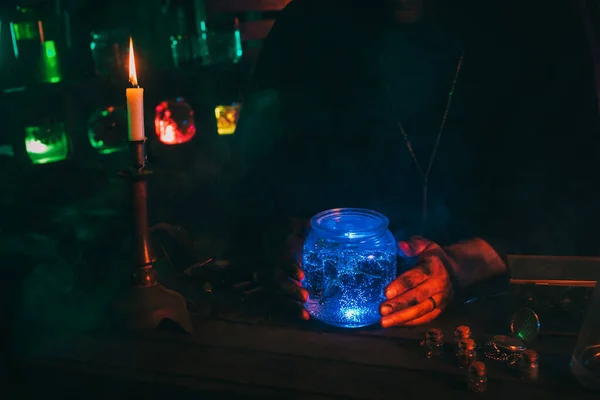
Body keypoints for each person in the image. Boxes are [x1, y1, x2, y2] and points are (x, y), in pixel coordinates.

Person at [230, 0, 600, 327]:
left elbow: (576, 190)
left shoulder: (540, 20)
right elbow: (251, 181)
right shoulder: (309, 25)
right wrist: (282, 242)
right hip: (317, 330)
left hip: (499, 317)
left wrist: (460, 264)